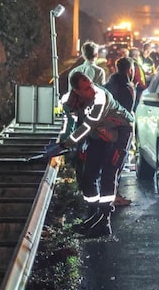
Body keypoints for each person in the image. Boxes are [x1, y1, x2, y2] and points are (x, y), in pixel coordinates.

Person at [58, 71, 135, 238]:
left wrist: (65, 144)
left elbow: (87, 126)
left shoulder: (101, 97)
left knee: (109, 174)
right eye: (86, 88)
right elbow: (69, 123)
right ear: (77, 91)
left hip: (120, 131)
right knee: (88, 176)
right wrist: (63, 141)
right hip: (98, 135)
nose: (91, 89)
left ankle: (104, 221)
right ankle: (93, 214)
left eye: (91, 85)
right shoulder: (71, 100)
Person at [103, 57, 137, 207]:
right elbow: (127, 111)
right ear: (130, 70)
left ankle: (108, 193)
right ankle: (113, 196)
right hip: (121, 131)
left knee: (109, 162)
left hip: (106, 129)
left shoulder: (108, 85)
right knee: (116, 162)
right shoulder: (127, 88)